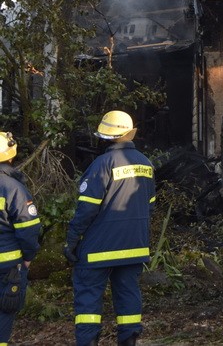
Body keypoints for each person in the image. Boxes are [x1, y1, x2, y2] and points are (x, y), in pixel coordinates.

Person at [64, 111, 156, 346]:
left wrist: (72, 240)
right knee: (128, 295)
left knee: (88, 300)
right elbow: (150, 207)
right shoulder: (146, 164)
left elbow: (86, 210)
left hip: (98, 249)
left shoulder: (101, 165)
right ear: (129, 133)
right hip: (134, 247)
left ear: (105, 137)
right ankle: (129, 341)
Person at [0, 132, 41, 345]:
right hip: (7, 265)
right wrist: (29, 256)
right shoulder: (13, 187)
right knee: (5, 311)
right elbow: (28, 228)